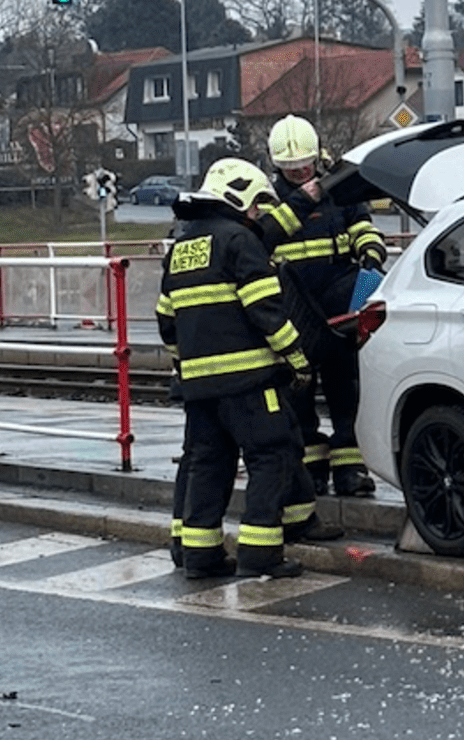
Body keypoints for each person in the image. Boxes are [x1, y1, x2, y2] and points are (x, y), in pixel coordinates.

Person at [158, 158, 313, 579]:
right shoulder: (241, 242)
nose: (258, 214)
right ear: (238, 197)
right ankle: (261, 554)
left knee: (208, 464)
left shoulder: (181, 247)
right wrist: (298, 360)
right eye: (255, 206)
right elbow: (267, 313)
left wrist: (188, 365)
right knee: (272, 455)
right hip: (250, 382)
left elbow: (167, 323)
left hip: (198, 388)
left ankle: (201, 557)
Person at [261, 114, 385, 498]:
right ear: (276, 165)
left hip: (339, 304)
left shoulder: (337, 189)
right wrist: (300, 200)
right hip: (295, 311)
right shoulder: (267, 200)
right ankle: (312, 470)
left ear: (317, 158)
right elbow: (262, 240)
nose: (299, 172)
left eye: (305, 165)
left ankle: (350, 471)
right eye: (290, 168)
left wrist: (371, 254)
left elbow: (362, 224)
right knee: (298, 395)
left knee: (346, 388)